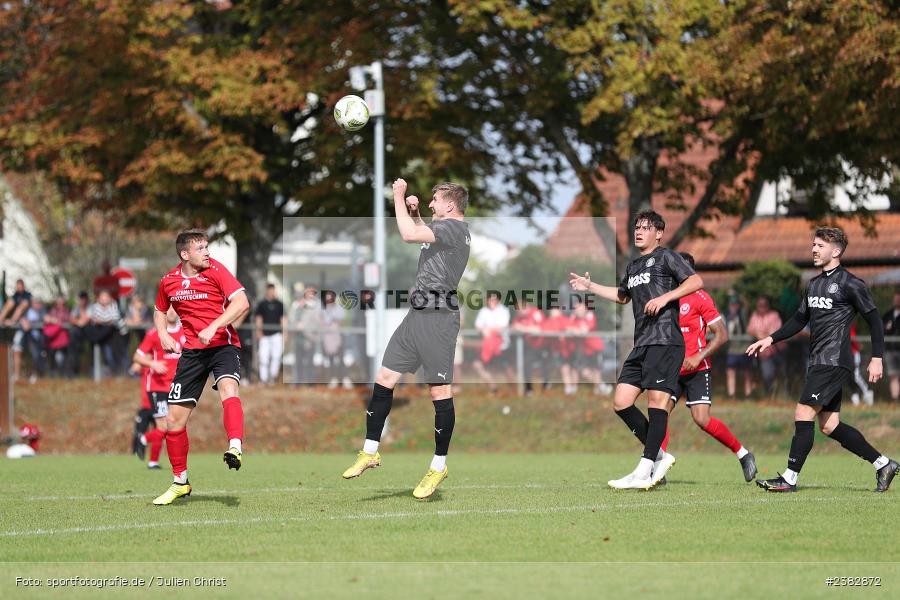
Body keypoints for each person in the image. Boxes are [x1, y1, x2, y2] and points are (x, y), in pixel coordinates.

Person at [341, 178, 470, 500]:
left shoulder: (455, 228)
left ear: (450, 205)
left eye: (435, 200)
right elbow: (422, 232)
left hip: (439, 318)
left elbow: (410, 236)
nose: (430, 204)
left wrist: (397, 196)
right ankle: (370, 450)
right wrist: (413, 212)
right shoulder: (445, 229)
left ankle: (439, 465)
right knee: (385, 377)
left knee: (439, 391)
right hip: (416, 315)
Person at [750, 227, 898, 493]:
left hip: (834, 361)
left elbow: (875, 320)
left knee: (803, 412)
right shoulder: (814, 284)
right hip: (818, 361)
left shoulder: (852, 283)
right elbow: (799, 320)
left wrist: (877, 357)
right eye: (813, 245)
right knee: (830, 426)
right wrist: (770, 339)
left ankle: (789, 478)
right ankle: (883, 464)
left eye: (819, 245)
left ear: (836, 251)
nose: (814, 249)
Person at [570, 209, 702, 490]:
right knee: (621, 402)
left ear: (659, 233)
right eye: (636, 227)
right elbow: (622, 296)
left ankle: (644, 469)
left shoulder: (667, 256)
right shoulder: (633, 266)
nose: (639, 231)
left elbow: (695, 281)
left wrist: (666, 297)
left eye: (645, 227)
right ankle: (659, 457)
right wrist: (590, 285)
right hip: (642, 342)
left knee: (656, 402)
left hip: (666, 340)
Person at [151, 228, 250, 505]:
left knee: (229, 390)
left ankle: (235, 447)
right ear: (185, 254)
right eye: (201, 248)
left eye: (207, 247)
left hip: (223, 345)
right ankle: (180, 482)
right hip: (193, 353)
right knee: (173, 422)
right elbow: (160, 310)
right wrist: (163, 334)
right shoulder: (168, 281)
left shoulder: (217, 270)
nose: (207, 252)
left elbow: (242, 302)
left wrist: (215, 325)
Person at [673, 253, 756, 481]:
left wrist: (698, 356)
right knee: (658, 413)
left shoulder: (701, 297)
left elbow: (722, 335)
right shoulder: (667, 297)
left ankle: (743, 454)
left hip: (697, 369)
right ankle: (655, 464)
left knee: (702, 419)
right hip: (671, 368)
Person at [133, 307, 185, 469]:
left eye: (174, 308)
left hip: (176, 387)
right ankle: (148, 450)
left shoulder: (185, 333)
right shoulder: (154, 334)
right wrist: (152, 363)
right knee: (163, 426)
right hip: (158, 387)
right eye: (167, 308)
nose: (170, 312)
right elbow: (137, 357)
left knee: (173, 426)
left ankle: (149, 452)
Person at [471, 291, 511, 393]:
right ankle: (494, 388)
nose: (492, 301)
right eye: (490, 299)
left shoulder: (503, 310)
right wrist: (483, 330)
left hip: (502, 346)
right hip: (487, 346)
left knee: (506, 369)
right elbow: (478, 325)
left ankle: (515, 390)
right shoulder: (484, 311)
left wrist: (488, 330)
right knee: (477, 365)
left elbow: (502, 327)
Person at [568, 298, 605, 396]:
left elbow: (584, 331)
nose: (577, 311)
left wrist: (576, 330)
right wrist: (575, 330)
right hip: (584, 349)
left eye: (580, 309)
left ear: (585, 309)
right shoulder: (574, 317)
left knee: (596, 369)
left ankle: (599, 390)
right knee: (584, 372)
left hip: (595, 347)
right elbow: (568, 328)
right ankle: (602, 386)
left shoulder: (590, 315)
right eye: (576, 309)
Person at [747, 295, 783, 396]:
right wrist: (758, 333)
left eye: (764, 305)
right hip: (764, 354)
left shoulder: (774, 315)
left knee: (782, 374)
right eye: (760, 305)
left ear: (768, 305)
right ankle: (769, 395)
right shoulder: (755, 315)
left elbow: (775, 333)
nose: (762, 307)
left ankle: (783, 395)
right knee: (767, 375)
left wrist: (760, 334)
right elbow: (749, 329)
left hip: (777, 351)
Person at [511, 298, 546, 395]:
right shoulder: (519, 317)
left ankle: (546, 387)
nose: (519, 312)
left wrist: (523, 328)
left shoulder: (536, 313)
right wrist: (516, 328)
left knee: (546, 367)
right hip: (530, 347)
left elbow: (539, 329)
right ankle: (529, 389)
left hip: (543, 345)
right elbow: (514, 326)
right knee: (526, 365)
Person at [1, 279, 33, 381]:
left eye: (20, 286)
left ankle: (24, 374)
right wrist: (1, 319)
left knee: (24, 351)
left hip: (28, 328)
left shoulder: (27, 296)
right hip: (20, 328)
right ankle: (17, 375)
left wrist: (12, 321)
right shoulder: (15, 296)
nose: (19, 288)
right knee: (16, 350)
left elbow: (21, 308)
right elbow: (8, 306)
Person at [86, 290, 124, 374]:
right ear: (99, 299)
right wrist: (105, 321)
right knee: (99, 354)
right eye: (103, 297)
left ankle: (115, 372)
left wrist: (103, 321)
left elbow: (114, 319)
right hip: (99, 333)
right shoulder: (94, 307)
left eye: (106, 297)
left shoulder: (113, 305)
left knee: (111, 355)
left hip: (112, 335)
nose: (104, 299)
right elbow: (94, 319)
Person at [723, 295, 753, 399]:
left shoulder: (742, 314)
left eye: (735, 305)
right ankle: (732, 395)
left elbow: (747, 305)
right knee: (730, 372)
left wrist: (738, 295)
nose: (733, 307)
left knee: (747, 372)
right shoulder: (725, 317)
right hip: (731, 349)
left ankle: (748, 395)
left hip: (744, 348)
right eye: (732, 305)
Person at [255, 283, 285, 384]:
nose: (272, 292)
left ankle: (272, 378)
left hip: (277, 334)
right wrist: (259, 331)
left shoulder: (280, 304)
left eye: (273, 290)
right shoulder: (262, 304)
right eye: (270, 290)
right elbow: (259, 318)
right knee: (263, 357)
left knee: (276, 357)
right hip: (265, 335)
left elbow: (283, 320)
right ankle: (263, 379)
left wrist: (284, 333)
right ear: (267, 291)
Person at [43, 296, 71, 378]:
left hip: (63, 339)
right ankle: (53, 374)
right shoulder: (52, 311)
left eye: (61, 303)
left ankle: (64, 375)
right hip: (53, 339)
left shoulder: (67, 311)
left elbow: (67, 319)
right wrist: (54, 320)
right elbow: (46, 318)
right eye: (58, 303)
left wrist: (55, 321)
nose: (60, 305)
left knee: (64, 358)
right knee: (52, 358)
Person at [848, 323, 874, 406]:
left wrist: (858, 346)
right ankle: (855, 396)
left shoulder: (850, 324)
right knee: (847, 376)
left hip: (854, 353)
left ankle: (867, 392)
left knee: (856, 375)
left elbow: (852, 338)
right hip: (846, 354)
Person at [882, 291, 900, 402]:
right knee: (893, 375)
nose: (897, 301)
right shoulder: (888, 315)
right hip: (890, 350)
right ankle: (895, 400)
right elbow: (881, 330)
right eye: (896, 299)